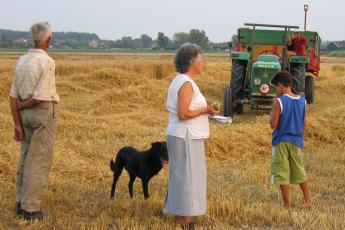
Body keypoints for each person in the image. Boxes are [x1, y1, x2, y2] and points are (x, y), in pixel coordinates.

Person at [163, 43, 219, 229]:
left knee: (184, 176)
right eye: (201, 59)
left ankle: (183, 218)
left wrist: (206, 112)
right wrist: (206, 109)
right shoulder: (186, 83)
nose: (203, 62)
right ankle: (183, 221)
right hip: (185, 135)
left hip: (185, 135)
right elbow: (183, 114)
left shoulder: (182, 80)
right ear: (190, 61)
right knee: (185, 177)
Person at [9, 22, 59, 220]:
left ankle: (20, 203)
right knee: (38, 160)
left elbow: (13, 96)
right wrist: (23, 106)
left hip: (25, 118)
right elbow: (40, 97)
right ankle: (31, 209)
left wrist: (17, 123)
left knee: (25, 157)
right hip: (42, 113)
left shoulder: (22, 60)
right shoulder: (47, 62)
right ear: (48, 40)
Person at [269, 71, 312, 209]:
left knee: (282, 172)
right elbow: (305, 123)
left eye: (276, 87)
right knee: (299, 170)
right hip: (296, 141)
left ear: (281, 86)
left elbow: (273, 125)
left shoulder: (279, 101)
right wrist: (300, 138)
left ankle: (287, 205)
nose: (277, 90)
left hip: (281, 141)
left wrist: (273, 107)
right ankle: (308, 201)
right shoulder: (303, 101)